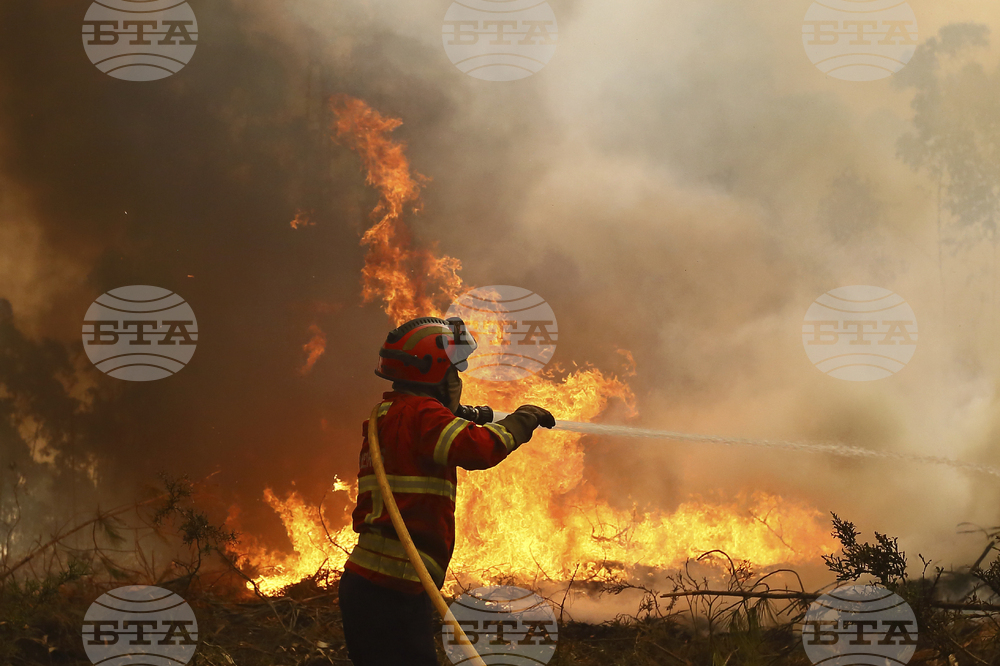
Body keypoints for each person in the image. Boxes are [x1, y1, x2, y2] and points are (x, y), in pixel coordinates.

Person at [338, 316, 555, 666]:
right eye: (455, 372)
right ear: (435, 374)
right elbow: (477, 449)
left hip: (372, 585)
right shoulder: (421, 415)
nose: (458, 380)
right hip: (395, 586)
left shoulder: (390, 414)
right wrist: (520, 421)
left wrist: (466, 413)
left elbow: (439, 429)